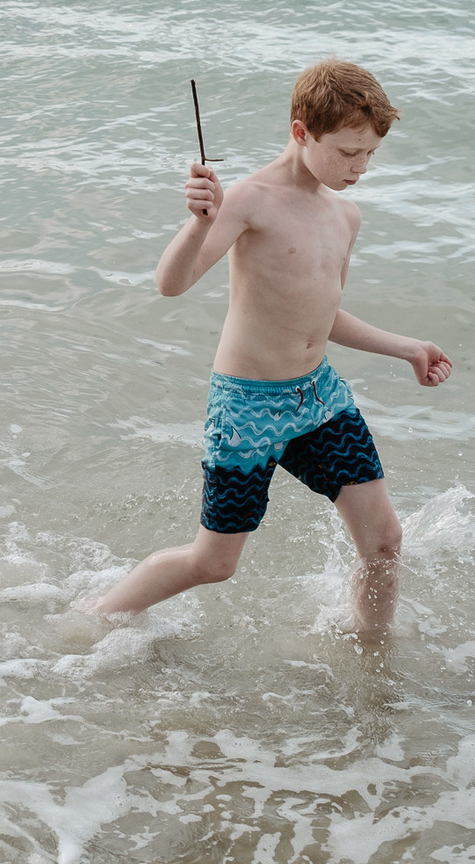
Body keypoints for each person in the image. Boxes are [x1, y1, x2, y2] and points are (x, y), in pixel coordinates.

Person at [92, 60, 452, 634]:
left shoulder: (345, 214)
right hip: (248, 406)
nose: (359, 168)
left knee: (384, 543)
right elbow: (171, 283)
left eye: (369, 155)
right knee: (213, 565)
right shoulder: (251, 201)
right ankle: (90, 619)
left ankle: (373, 659)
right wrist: (198, 223)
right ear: (301, 131)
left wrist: (406, 347)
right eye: (346, 151)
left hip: (319, 398)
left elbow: (319, 314)